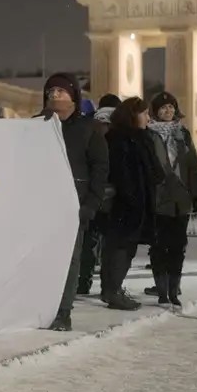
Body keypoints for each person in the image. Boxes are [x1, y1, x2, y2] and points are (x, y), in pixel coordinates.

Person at [38, 74, 111, 331]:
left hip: (74, 203)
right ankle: (38, 307)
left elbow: (100, 169)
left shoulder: (89, 129)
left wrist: (91, 203)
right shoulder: (37, 126)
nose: (55, 95)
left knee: (69, 259)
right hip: (40, 202)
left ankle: (62, 311)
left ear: (73, 96)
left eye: (61, 91)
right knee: (40, 257)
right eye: (51, 91)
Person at [99, 97, 163, 311]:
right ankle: (113, 291)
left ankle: (111, 289)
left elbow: (156, 172)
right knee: (121, 247)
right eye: (144, 113)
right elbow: (121, 174)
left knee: (124, 247)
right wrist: (132, 198)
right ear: (132, 115)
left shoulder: (141, 138)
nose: (148, 117)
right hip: (125, 204)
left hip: (137, 202)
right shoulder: (119, 140)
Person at [142, 92, 197, 306]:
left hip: (181, 198)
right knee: (159, 245)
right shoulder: (148, 135)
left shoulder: (183, 134)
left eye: (171, 107)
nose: (168, 111)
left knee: (178, 245)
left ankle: (174, 290)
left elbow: (194, 165)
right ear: (155, 111)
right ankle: (161, 290)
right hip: (158, 198)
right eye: (163, 108)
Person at [78, 94, 122, 294]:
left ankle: (83, 280)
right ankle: (109, 285)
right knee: (110, 245)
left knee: (88, 241)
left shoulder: (89, 130)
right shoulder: (122, 131)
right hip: (112, 195)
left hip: (92, 192)